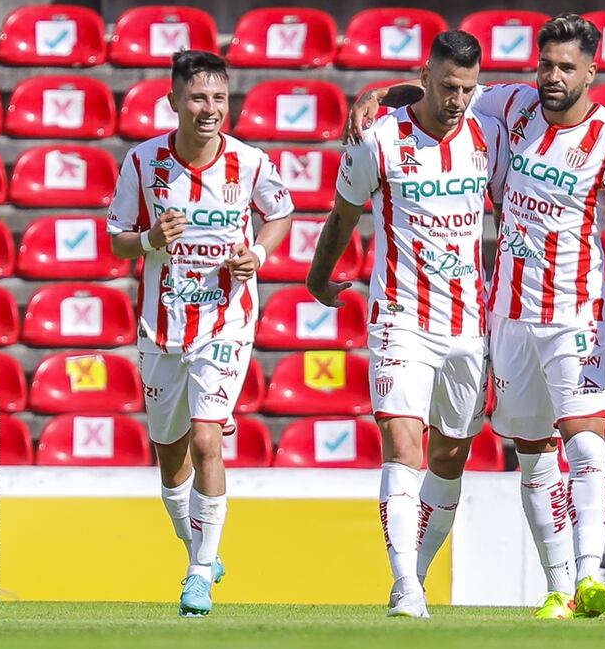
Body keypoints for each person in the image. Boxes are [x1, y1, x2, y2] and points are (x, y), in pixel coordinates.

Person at [349, 13, 605, 619]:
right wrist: (381, 93)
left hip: (576, 314)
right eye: (546, 63)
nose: (552, 75)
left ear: (591, 72)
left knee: (585, 441)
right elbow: (444, 88)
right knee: (533, 450)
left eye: (567, 67)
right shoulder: (511, 104)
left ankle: (592, 576)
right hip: (508, 317)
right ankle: (559, 588)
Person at [307, 30, 507, 618]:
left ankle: (417, 572)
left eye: (467, 89)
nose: (457, 100)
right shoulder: (380, 139)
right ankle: (405, 585)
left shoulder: (490, 130)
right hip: (401, 316)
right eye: (447, 86)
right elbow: (342, 216)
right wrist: (319, 279)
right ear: (426, 75)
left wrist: (382, 88)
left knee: (449, 456)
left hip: (470, 323)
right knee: (402, 442)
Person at [107, 50, 293, 617]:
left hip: (225, 323)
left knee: (208, 437)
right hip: (160, 330)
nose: (210, 109)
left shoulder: (250, 163)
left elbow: (281, 213)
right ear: (174, 102)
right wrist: (147, 240)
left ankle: (196, 579)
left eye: (218, 98)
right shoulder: (143, 163)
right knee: (170, 459)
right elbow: (116, 236)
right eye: (198, 98)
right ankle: (201, 554)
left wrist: (256, 254)